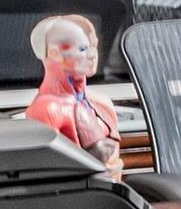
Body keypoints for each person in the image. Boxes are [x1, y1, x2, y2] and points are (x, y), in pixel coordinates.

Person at [24, 12, 122, 174]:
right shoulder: (47, 109)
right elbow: (47, 169)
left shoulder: (101, 103)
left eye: (94, 47)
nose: (93, 55)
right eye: (82, 48)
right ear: (54, 53)